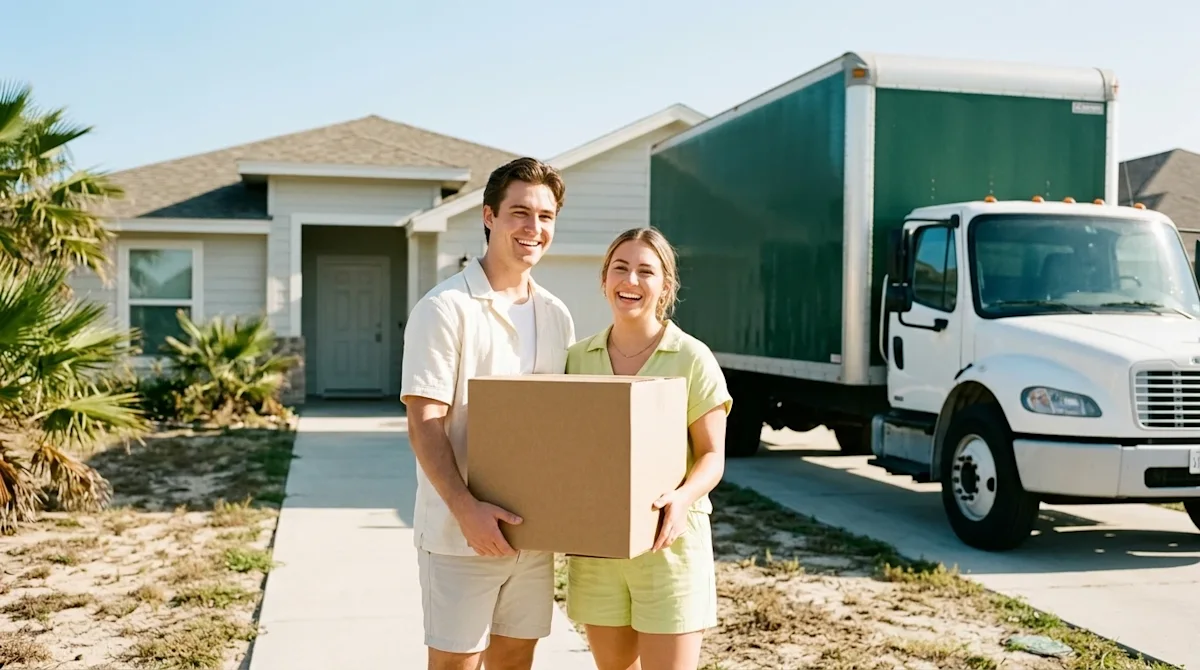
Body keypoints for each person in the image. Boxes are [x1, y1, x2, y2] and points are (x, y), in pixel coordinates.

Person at [400, 157, 576, 670]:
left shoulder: (556, 314)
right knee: (456, 663)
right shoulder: (444, 308)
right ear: (489, 216)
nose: (533, 228)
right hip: (460, 534)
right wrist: (466, 509)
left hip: (533, 531)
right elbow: (425, 421)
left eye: (546, 217)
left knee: (516, 658)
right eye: (520, 212)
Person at [564, 226, 731, 670]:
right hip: (598, 550)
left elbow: (712, 456)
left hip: (668, 546)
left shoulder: (692, 358)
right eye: (620, 268)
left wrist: (682, 497)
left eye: (645, 271)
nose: (631, 281)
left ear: (665, 286)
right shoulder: (576, 360)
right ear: (604, 280)